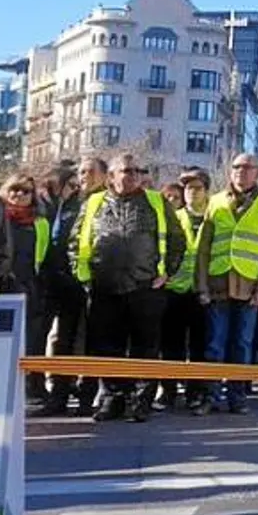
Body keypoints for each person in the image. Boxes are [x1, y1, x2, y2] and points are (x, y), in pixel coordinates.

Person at [74, 153, 182, 423]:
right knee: (107, 346)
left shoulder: (156, 202)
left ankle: (140, 400)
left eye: (136, 170)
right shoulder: (94, 203)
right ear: (111, 176)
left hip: (145, 286)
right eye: (125, 170)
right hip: (105, 287)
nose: (132, 175)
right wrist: (84, 276)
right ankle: (112, 398)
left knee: (145, 346)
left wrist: (167, 272)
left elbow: (177, 239)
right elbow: (76, 241)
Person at [197, 154, 258, 415]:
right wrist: (201, 286)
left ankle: (237, 397)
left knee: (242, 344)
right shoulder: (216, 202)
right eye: (236, 167)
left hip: (248, 287)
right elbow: (203, 248)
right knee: (214, 343)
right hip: (218, 285)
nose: (240, 172)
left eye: (246, 168)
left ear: (257, 173)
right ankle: (210, 395)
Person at [33, 163, 90, 416]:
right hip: (44, 280)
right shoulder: (43, 205)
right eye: (70, 183)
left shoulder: (79, 206)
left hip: (70, 281)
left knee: (66, 338)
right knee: (41, 337)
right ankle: (39, 388)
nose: (74, 187)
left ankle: (64, 391)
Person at [155, 167, 210, 413]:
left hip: (202, 290)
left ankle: (195, 391)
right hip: (174, 288)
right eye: (188, 188)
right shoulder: (174, 217)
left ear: (207, 191)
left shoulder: (214, 218)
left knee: (199, 346)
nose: (191, 193)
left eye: (197, 188)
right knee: (171, 344)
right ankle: (167, 391)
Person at [0, 173, 53, 408]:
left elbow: (43, 255)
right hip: (0, 288)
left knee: (28, 342)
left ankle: (27, 390)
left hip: (28, 286)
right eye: (14, 189)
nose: (18, 195)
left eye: (25, 191)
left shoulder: (40, 222)